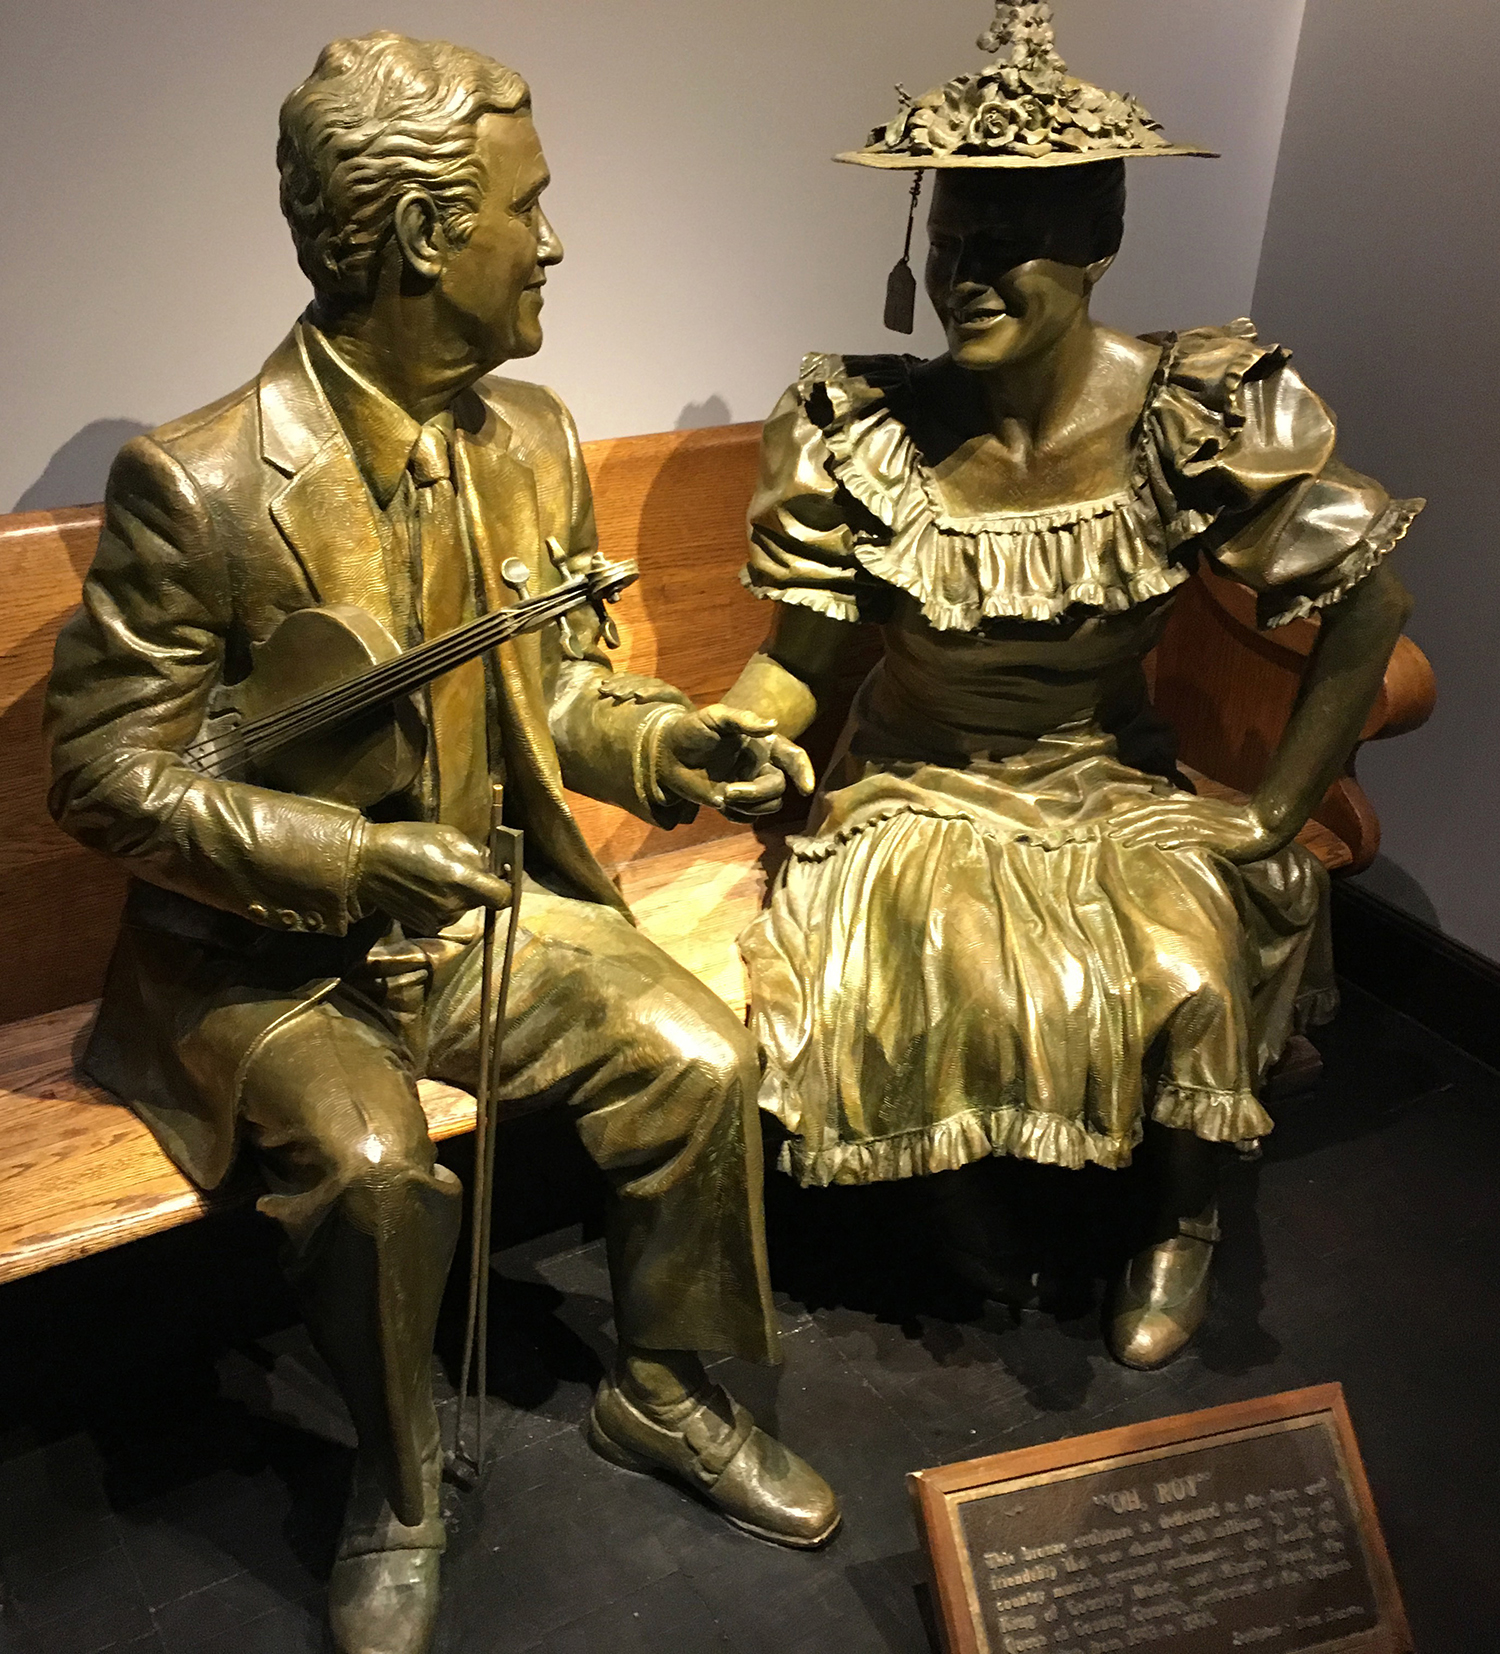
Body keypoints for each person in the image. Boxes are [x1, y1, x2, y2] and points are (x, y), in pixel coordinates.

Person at [45, 32, 837, 1654]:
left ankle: (664, 1393)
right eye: (525, 209)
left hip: (481, 922)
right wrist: (348, 860)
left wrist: (678, 742)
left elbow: (572, 689)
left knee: (694, 1045)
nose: (552, 242)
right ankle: (398, 1490)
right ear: (417, 235)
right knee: (374, 1170)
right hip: (271, 962)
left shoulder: (531, 436)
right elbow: (109, 777)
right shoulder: (196, 487)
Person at [723, 2, 1421, 1372]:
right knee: (940, 959)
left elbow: (1369, 603)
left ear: (1096, 250)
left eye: (1008, 248)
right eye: (948, 243)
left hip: (1109, 776)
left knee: (1184, 963)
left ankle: (1181, 1225)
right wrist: (736, 733)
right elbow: (797, 660)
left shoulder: (1195, 408)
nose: (965, 277)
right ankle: (958, 1202)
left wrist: (1274, 811)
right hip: (919, 779)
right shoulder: (858, 428)